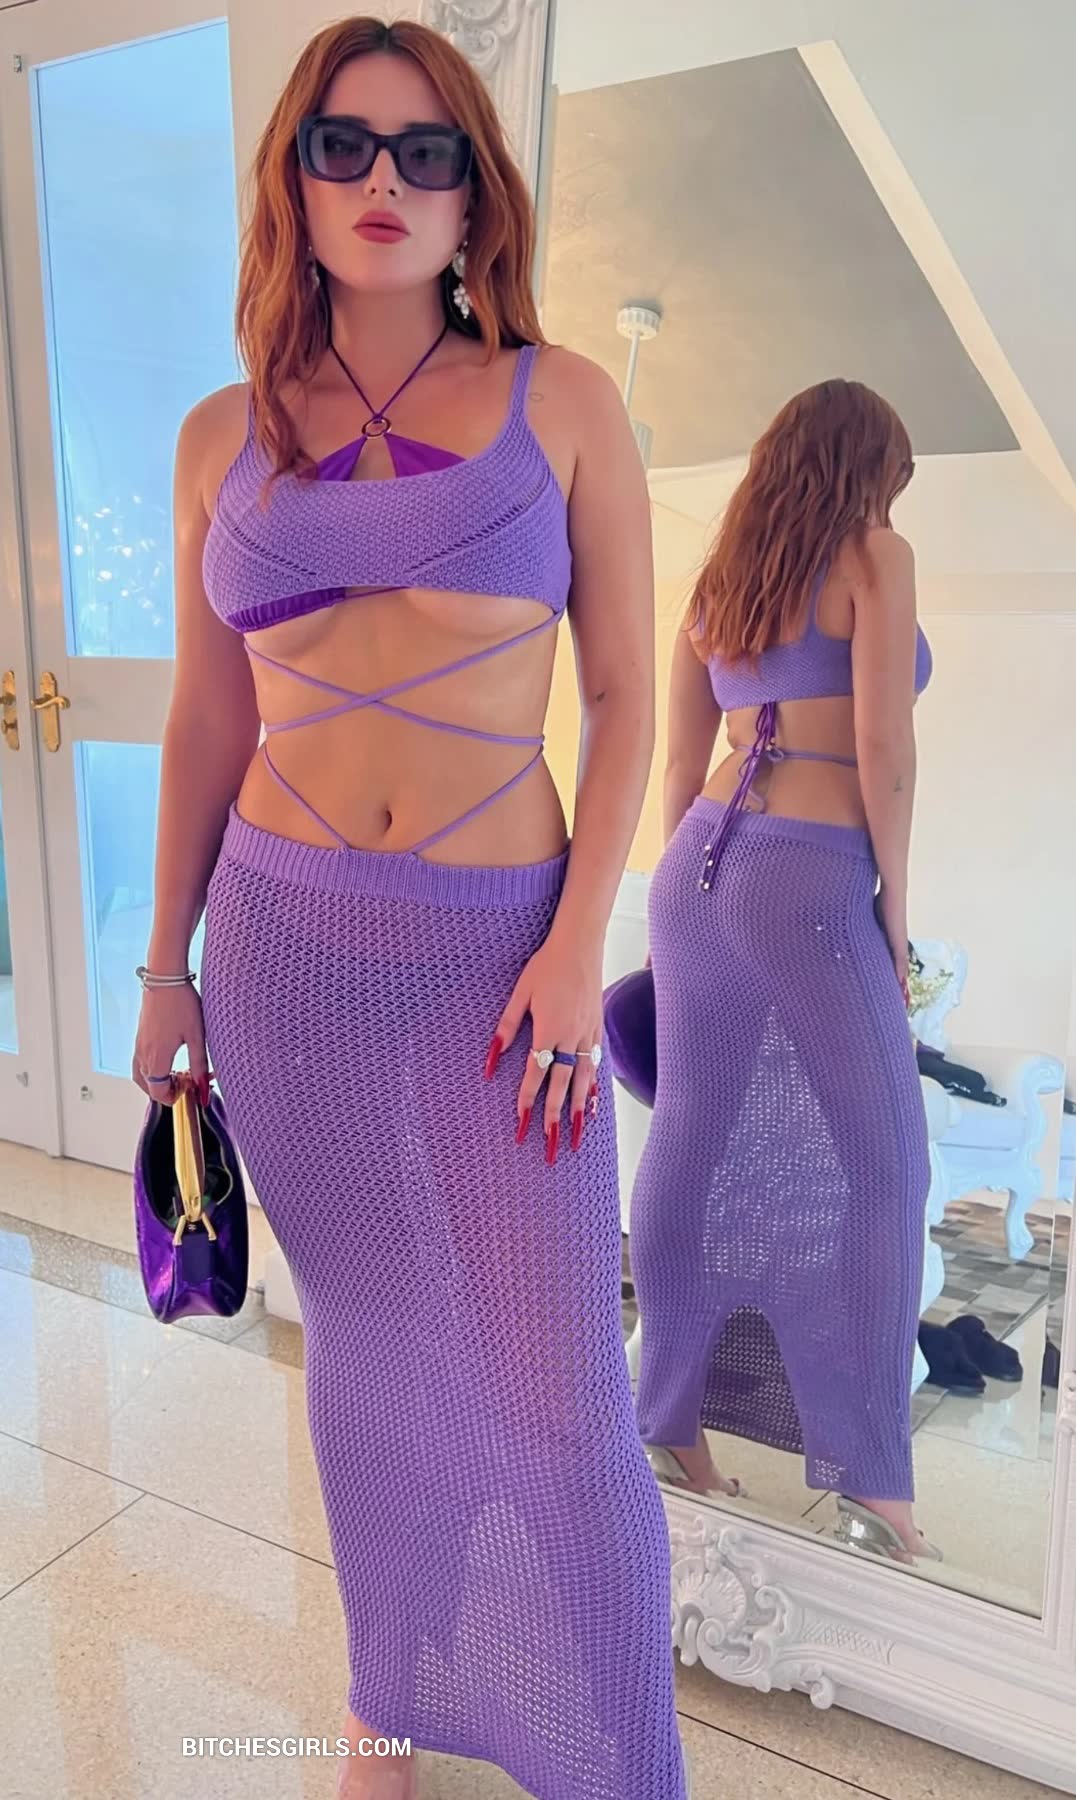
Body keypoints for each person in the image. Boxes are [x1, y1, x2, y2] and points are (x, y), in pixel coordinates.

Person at [133, 17, 689, 1800]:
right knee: (366, 1358)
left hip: (502, 961)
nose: (384, 181)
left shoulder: (565, 403)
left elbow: (626, 698)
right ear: (293, 180)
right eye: (345, 145)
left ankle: (614, 1757)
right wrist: (165, 968)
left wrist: (577, 942)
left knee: (558, 1401)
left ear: (474, 197)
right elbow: (206, 719)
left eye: (426, 151)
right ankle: (392, 1700)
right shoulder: (217, 435)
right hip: (283, 951)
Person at [629, 379, 938, 1565]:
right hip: (807, 870)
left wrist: (682, 914)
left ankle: (666, 1427)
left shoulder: (718, 581)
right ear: (865, 467)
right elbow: (882, 748)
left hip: (693, 868)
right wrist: (891, 912)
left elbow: (678, 765)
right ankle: (874, 1487)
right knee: (885, 1162)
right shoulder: (873, 555)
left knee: (687, 1142)